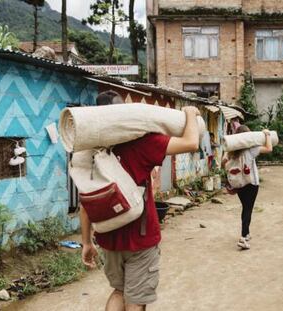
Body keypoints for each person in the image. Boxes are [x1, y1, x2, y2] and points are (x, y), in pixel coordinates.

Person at [79, 90, 201, 311]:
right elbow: (192, 143)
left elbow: (87, 201)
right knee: (135, 300)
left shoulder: (91, 150)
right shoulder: (144, 143)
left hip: (109, 238)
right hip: (141, 238)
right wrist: (190, 113)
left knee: (118, 291)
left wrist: (86, 241)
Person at [222, 125, 273, 250]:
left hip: (239, 183)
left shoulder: (231, 151)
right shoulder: (251, 150)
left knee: (245, 207)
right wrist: (267, 134)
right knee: (248, 209)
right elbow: (269, 148)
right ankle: (243, 237)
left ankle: (247, 233)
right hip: (251, 183)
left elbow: (223, 162)